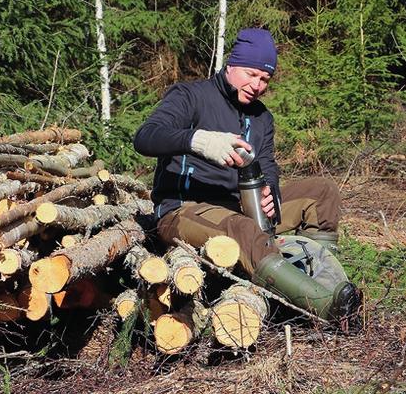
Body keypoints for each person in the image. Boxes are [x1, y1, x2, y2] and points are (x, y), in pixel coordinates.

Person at [133, 28, 359, 323]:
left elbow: (267, 164)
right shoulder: (190, 95)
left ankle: (329, 286)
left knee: (322, 193)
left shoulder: (262, 117)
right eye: (251, 74)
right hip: (183, 211)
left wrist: (272, 193)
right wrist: (200, 141)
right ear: (231, 65)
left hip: (237, 207)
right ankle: (323, 308)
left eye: (265, 79)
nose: (257, 85)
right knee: (242, 229)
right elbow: (145, 138)